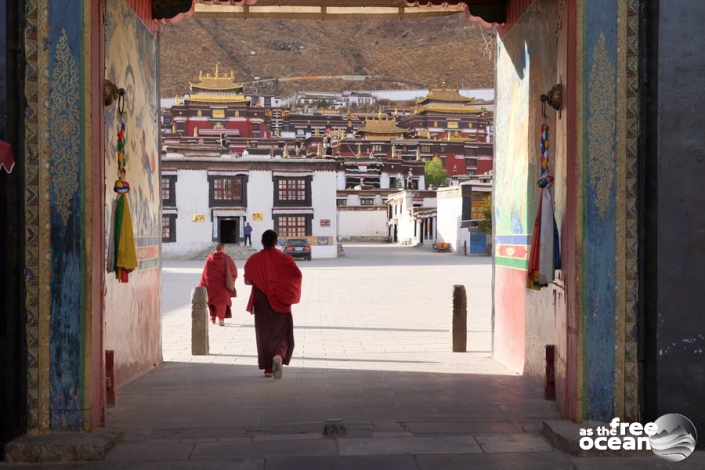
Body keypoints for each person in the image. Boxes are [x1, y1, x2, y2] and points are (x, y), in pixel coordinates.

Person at [244, 230, 302, 379]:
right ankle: (279, 356)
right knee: (281, 332)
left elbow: (247, 281)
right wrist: (282, 286)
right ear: (276, 242)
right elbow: (297, 275)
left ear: (262, 242)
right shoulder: (286, 259)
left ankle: (268, 367)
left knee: (264, 334)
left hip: (261, 300)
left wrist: (262, 280)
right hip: (281, 299)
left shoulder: (254, 259)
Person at [198, 244, 237, 327]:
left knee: (211, 301)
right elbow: (233, 271)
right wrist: (232, 280)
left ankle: (213, 317)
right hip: (222, 285)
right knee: (222, 302)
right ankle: (221, 319)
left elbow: (205, 272)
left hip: (211, 285)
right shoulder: (227, 259)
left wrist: (203, 283)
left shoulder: (209, 258)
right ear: (222, 249)